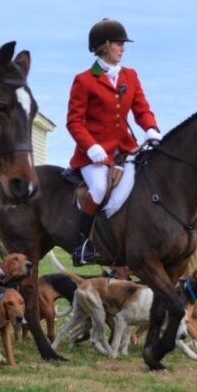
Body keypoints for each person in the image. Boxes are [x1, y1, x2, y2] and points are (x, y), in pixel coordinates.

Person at [66, 18, 161, 266]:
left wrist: (150, 128)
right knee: (98, 189)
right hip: (94, 154)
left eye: (122, 44)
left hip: (125, 148)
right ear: (105, 46)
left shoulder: (130, 76)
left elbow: (141, 108)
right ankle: (82, 245)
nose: (123, 48)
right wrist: (91, 146)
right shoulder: (84, 80)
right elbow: (74, 122)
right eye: (119, 43)